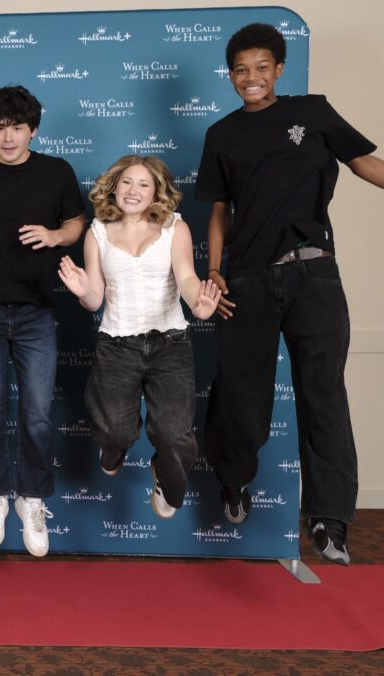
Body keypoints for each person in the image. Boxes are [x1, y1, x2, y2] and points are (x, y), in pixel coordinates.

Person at [197, 23, 384, 564]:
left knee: (323, 394)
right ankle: (233, 482)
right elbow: (218, 212)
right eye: (240, 69)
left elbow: (363, 161)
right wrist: (215, 269)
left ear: (279, 69)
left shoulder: (315, 112)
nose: (250, 78)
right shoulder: (222, 135)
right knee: (239, 395)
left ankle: (329, 522)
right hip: (248, 280)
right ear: (229, 75)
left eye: (261, 67)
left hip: (314, 276)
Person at [0, 85, 86, 557]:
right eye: (0, 128)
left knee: (39, 414)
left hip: (37, 311)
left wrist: (53, 234)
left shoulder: (56, 172)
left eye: (17, 129)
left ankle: (33, 499)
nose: (8, 138)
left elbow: (76, 224)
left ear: (33, 129)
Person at [58, 156, 221, 519]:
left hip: (170, 343)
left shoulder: (174, 228)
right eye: (127, 182)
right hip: (117, 345)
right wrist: (83, 290)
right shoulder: (96, 233)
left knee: (175, 435)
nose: (134, 191)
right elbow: (95, 299)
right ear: (114, 186)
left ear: (155, 192)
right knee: (115, 430)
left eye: (143, 184)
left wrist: (200, 303)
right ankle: (113, 449)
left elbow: (186, 277)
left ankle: (164, 473)